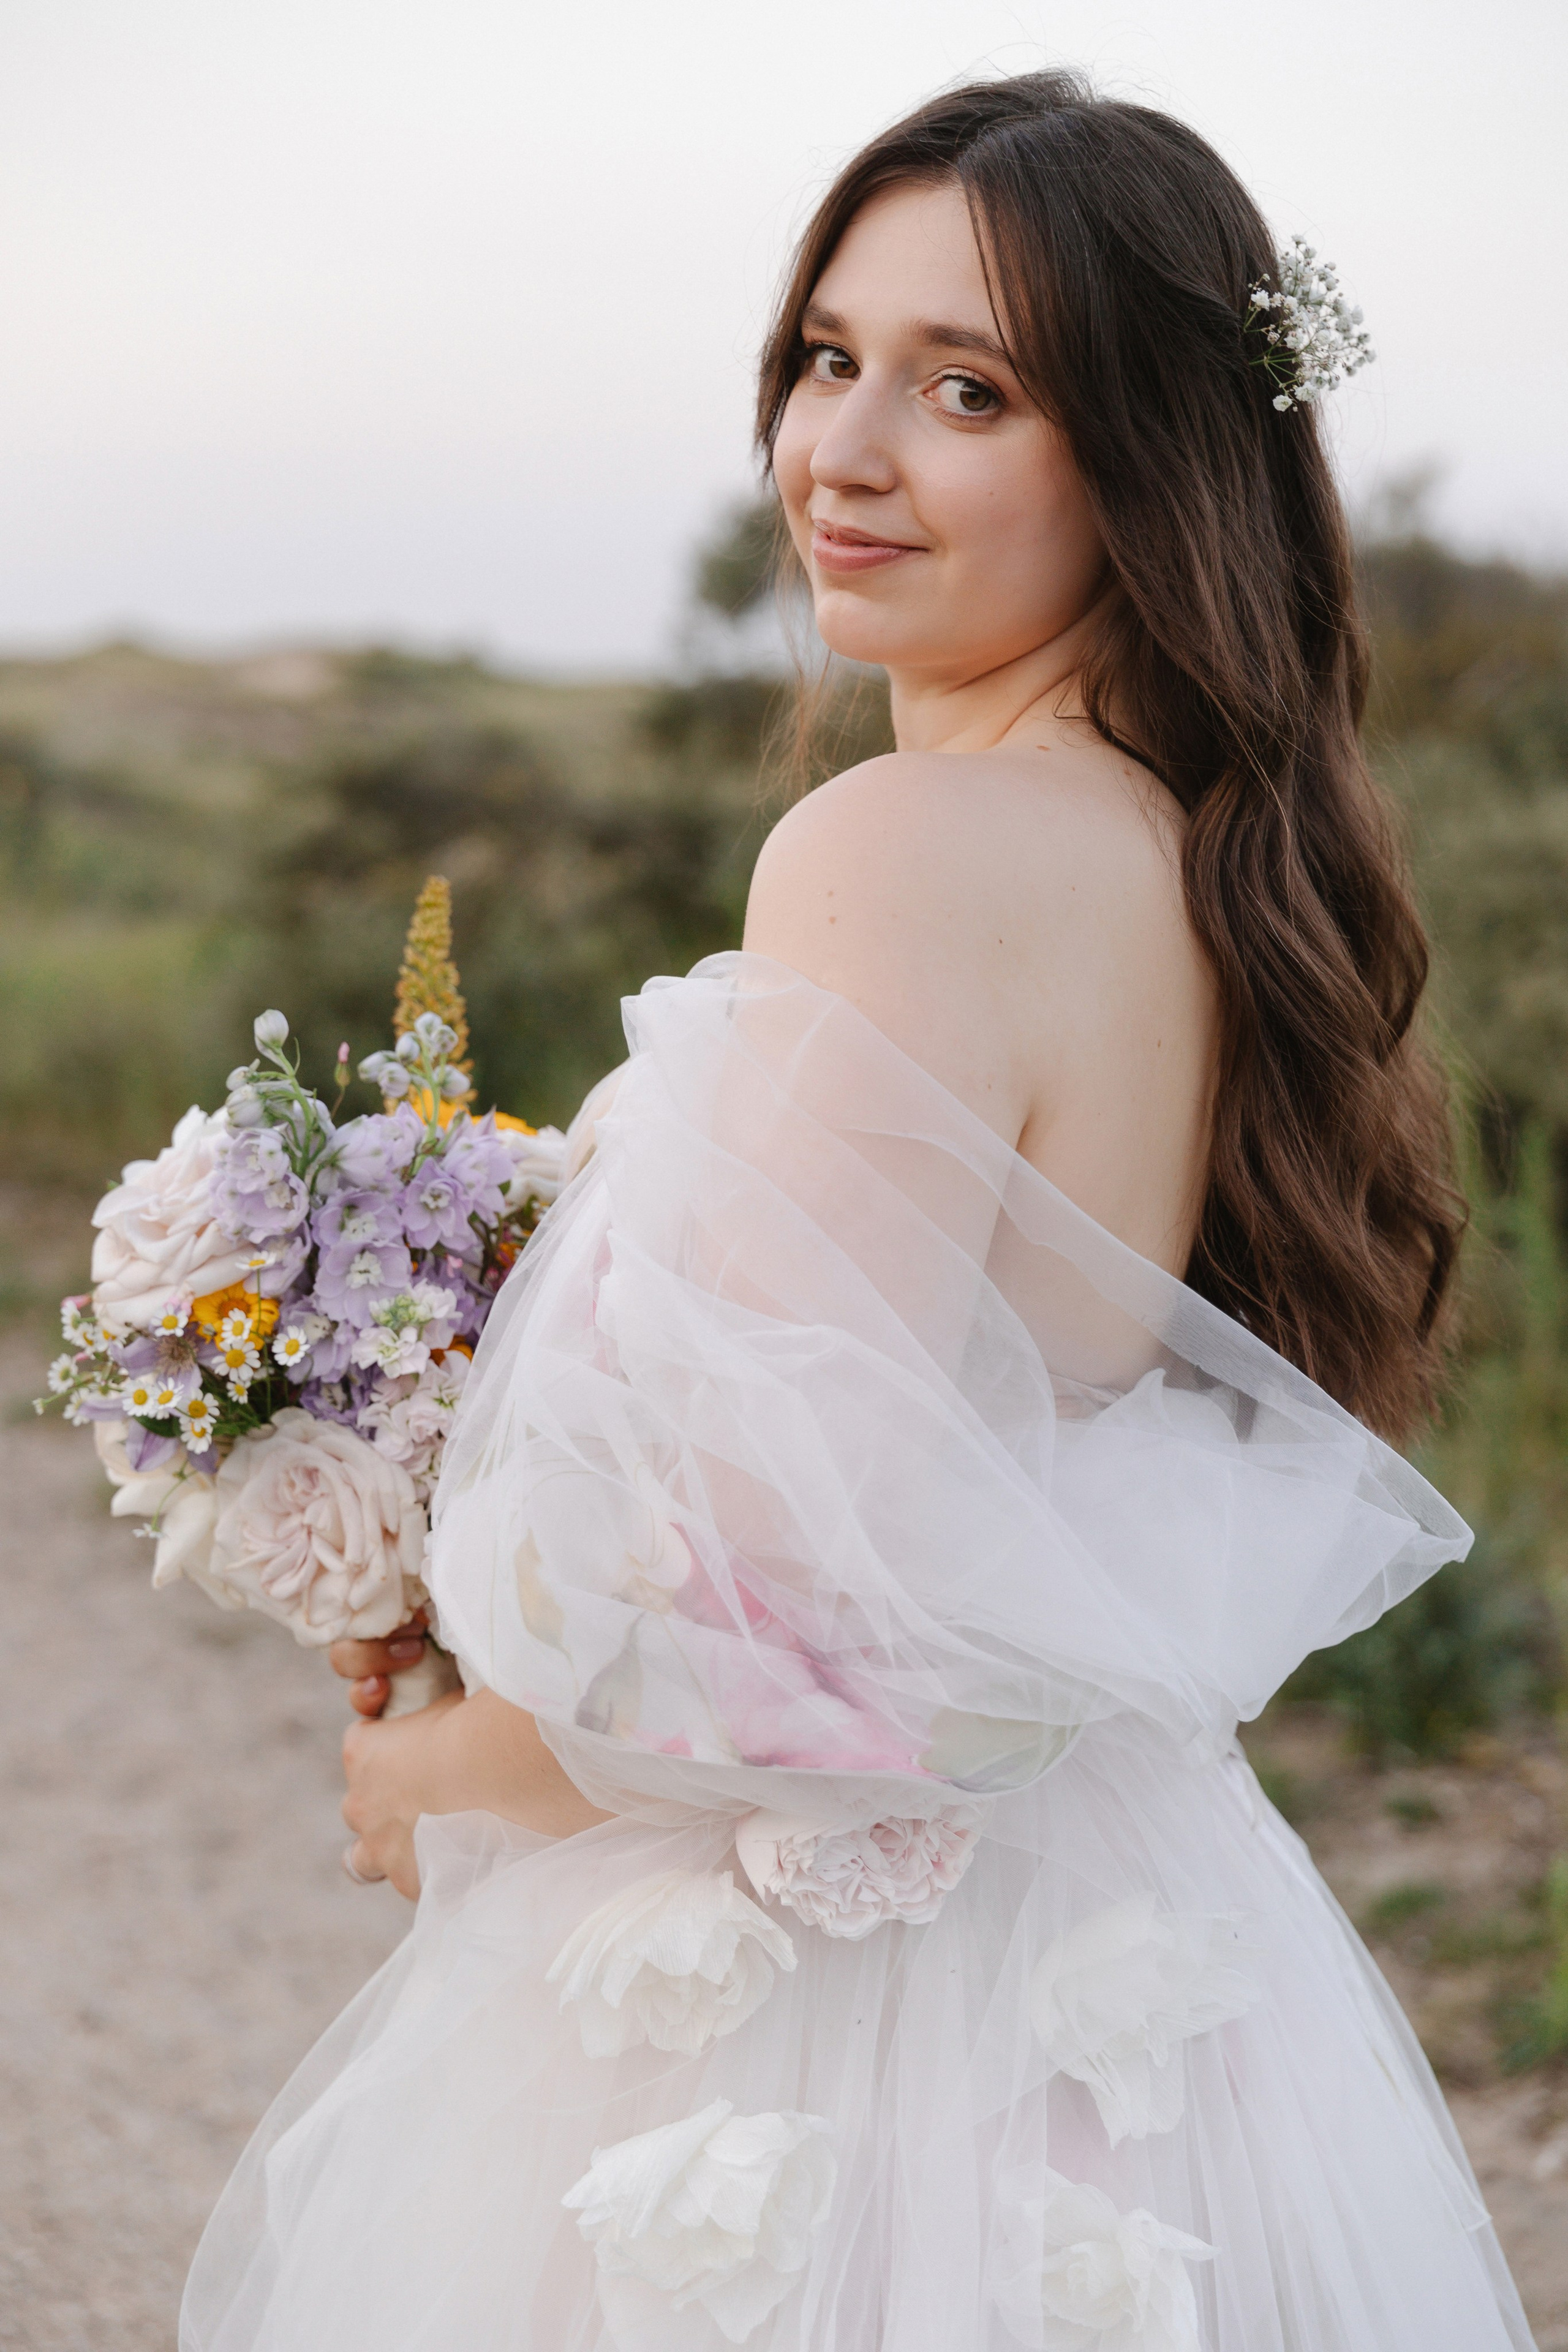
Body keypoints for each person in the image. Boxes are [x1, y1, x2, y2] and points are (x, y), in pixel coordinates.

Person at [180, 70, 1538, 2352]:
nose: (847, 450)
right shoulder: (1191, 857)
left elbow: (781, 1617)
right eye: (830, 358)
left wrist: (447, 1766)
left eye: (969, 389)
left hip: (841, 2014)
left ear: (1152, 457)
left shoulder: (898, 852)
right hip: (1115, 1947)